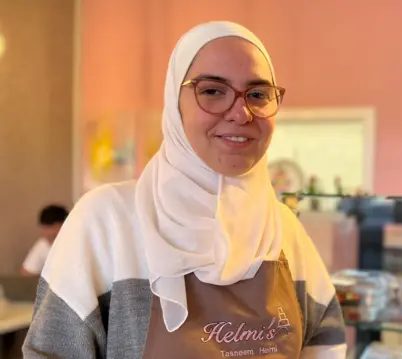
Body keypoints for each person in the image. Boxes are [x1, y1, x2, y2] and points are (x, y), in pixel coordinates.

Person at [23, 21, 346, 358]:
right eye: (212, 91)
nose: (241, 112)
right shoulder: (106, 222)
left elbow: (326, 343)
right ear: (174, 103)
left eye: (258, 94)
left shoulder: (284, 230)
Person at [20, 205, 68, 276]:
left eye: (54, 227)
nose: (50, 233)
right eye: (46, 228)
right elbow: (26, 273)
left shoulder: (77, 243)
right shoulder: (43, 245)